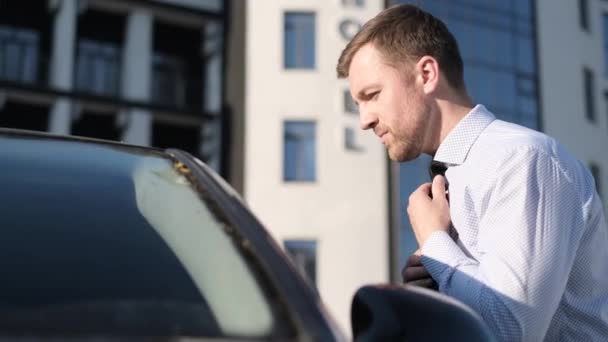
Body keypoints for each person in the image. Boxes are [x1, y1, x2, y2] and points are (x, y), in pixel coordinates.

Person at [336, 4, 608, 341]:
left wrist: (436, 242)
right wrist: (433, 288)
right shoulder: (451, 179)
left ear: (426, 74)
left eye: (372, 95)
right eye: (359, 104)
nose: (364, 120)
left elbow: (508, 329)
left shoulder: (522, 160)